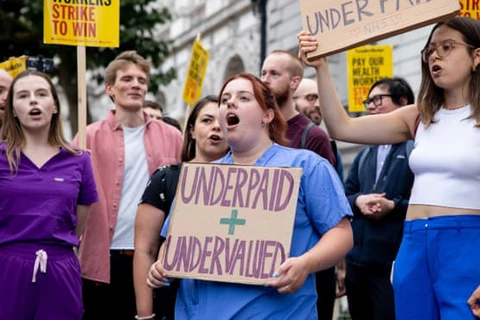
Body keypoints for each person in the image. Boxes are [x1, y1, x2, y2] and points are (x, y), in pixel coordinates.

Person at [298, 16, 480, 319]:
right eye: (431, 50)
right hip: (412, 243)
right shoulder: (419, 116)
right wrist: (321, 66)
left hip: (467, 244)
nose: (436, 55)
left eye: (448, 47)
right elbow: (342, 127)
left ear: (476, 56)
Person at [147, 72, 353, 319]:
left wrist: (306, 264)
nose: (230, 104)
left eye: (244, 98)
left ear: (267, 115)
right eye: (225, 100)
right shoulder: (202, 178)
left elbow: (341, 233)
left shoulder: (307, 167)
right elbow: (174, 243)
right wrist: (161, 266)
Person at [73, 51, 183, 320]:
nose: (136, 85)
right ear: (110, 88)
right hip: (103, 261)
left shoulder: (172, 136)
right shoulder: (87, 136)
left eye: (141, 80)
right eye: (127, 79)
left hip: (155, 260)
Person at [0, 70, 98, 319]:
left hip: (59, 269)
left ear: (54, 105)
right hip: (7, 268)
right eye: (23, 95)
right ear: (12, 109)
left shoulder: (80, 160)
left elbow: (78, 225)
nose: (33, 100)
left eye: (41, 94)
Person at [134, 95, 229, 320]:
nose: (216, 126)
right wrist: (145, 314)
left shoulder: (248, 184)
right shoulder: (166, 179)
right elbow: (145, 250)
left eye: (224, 122)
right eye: (207, 120)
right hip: (173, 301)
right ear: (192, 130)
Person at [261, 50, 338, 320]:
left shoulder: (313, 137)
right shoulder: (259, 131)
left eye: (274, 74)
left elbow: (330, 212)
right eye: (263, 73)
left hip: (306, 266)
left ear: (294, 82)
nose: (265, 80)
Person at [343, 77, 415, 320]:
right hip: (357, 263)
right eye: (368, 101)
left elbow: (427, 203)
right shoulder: (364, 153)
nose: (370, 106)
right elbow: (345, 194)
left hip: (391, 265)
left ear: (402, 102)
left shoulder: (417, 152)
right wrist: (359, 201)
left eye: (377, 100)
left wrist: (393, 206)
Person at [295, 78, 345, 182]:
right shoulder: (275, 138)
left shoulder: (329, 145)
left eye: (320, 99)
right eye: (311, 98)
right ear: (291, 100)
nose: (318, 104)